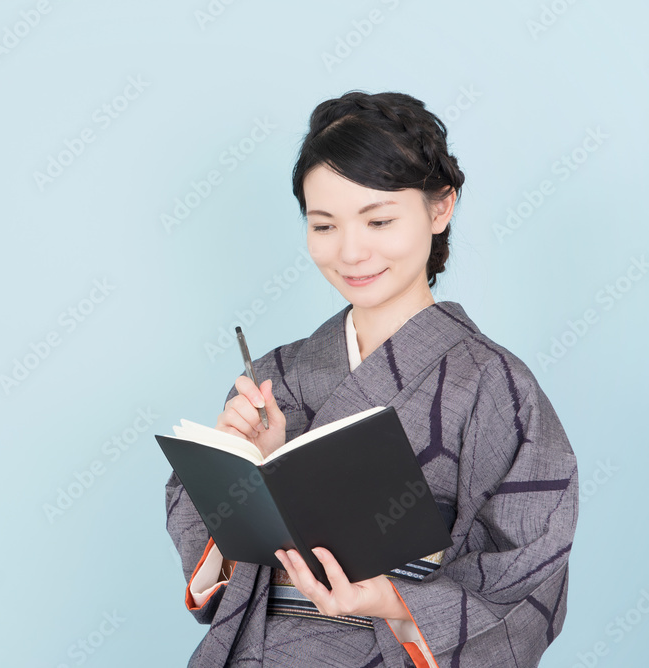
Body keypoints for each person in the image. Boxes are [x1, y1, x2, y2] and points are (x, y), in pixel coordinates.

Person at [164, 90, 579, 668]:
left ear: (440, 208)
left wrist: (392, 600)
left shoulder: (497, 387)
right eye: (324, 225)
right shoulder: (276, 375)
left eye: (379, 220)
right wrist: (247, 473)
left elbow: (527, 571)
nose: (352, 251)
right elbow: (216, 577)